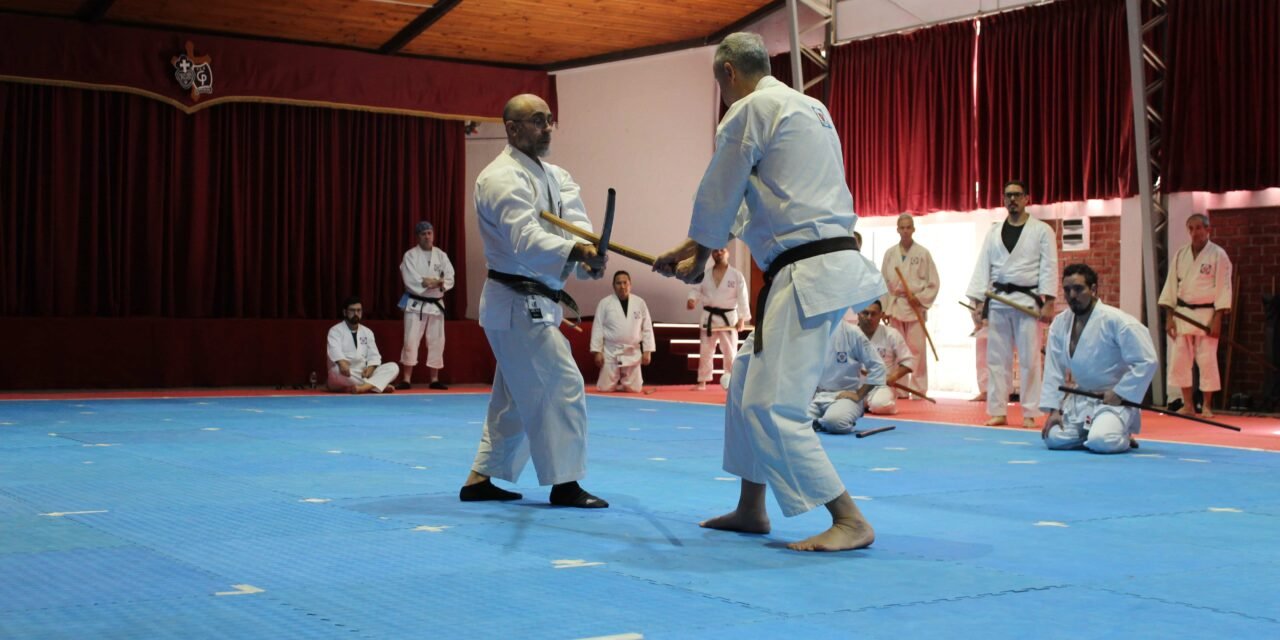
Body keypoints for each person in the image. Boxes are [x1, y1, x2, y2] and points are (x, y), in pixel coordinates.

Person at [653, 32, 886, 552]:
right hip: (822, 263)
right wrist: (694, 248)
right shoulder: (810, 109)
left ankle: (848, 518)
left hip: (806, 272)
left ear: (729, 73)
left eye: (720, 82)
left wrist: (700, 250)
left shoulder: (748, 111)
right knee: (745, 380)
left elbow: (721, 188)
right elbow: (761, 195)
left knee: (772, 403)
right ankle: (751, 506)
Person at [460, 93, 609, 509]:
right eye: (537, 120)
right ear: (511, 128)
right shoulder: (500, 178)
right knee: (562, 384)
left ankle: (479, 479)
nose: (546, 128)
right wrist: (575, 254)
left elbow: (577, 223)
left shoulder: (555, 175)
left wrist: (587, 254)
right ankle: (566, 484)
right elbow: (525, 238)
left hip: (538, 302)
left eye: (549, 121)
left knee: (514, 398)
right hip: (515, 303)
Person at [966, 180, 1058, 428]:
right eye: (1008, 195)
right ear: (1003, 199)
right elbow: (982, 266)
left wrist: (1048, 301)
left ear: (1027, 198)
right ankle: (997, 410)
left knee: (1030, 359)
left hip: (1027, 302)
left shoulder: (1041, 230)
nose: (1012, 199)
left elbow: (1049, 266)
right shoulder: (994, 232)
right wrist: (977, 301)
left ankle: (1030, 412)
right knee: (996, 359)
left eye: (1017, 195)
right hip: (998, 301)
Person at [1041, 264, 1158, 453]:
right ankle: (1093, 431)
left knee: (1102, 441)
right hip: (1081, 400)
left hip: (1112, 400)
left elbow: (1147, 360)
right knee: (1053, 439)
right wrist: (1053, 410)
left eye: (1078, 289)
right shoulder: (1060, 323)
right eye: (1067, 290)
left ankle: (1120, 435)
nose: (1072, 296)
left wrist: (1120, 392)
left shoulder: (1117, 321)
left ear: (1094, 289)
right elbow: (1053, 369)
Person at [1158, 214, 1232, 417]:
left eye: (1199, 227)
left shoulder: (1218, 255)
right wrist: (1169, 317)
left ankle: (1207, 405)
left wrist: (1218, 318)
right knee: (1180, 359)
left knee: (1207, 359)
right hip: (1182, 314)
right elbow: (1171, 287)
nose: (1195, 232)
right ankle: (1188, 404)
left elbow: (1223, 288)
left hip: (1206, 313)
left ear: (1208, 229)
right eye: (1191, 228)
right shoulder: (1181, 255)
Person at [880, 214, 939, 397]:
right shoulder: (890, 254)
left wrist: (920, 298)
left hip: (915, 307)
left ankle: (918, 388)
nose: (905, 231)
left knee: (916, 350)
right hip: (896, 305)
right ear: (897, 229)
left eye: (908, 227)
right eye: (902, 227)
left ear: (913, 229)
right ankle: (899, 389)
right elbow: (882, 282)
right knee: (897, 348)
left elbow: (934, 282)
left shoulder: (922, 253)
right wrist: (884, 308)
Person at [397, 220, 456, 391]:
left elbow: (450, 278)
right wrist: (431, 282)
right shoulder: (410, 256)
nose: (427, 236)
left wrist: (434, 282)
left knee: (437, 341)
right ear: (417, 237)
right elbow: (411, 279)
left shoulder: (441, 255)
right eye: (423, 234)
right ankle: (406, 379)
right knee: (410, 340)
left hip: (436, 305)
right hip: (416, 304)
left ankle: (434, 378)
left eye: (429, 233)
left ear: (433, 234)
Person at [808, 319, 887, 434]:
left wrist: (859, 394)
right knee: (791, 423)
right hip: (817, 396)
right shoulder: (810, 332)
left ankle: (822, 422)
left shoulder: (851, 332)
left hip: (846, 396)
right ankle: (819, 422)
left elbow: (878, 366)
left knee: (835, 421)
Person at [687, 247, 750, 390]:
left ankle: (731, 381)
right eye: (715, 251)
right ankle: (702, 381)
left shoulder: (736, 275)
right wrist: (692, 299)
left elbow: (743, 297)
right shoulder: (704, 274)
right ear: (711, 254)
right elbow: (695, 289)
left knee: (730, 352)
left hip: (728, 319)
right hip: (709, 317)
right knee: (705, 351)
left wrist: (742, 318)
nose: (719, 253)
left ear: (728, 252)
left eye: (722, 250)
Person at [591, 271, 656, 392]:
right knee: (604, 389)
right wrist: (597, 351)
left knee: (635, 389)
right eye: (618, 283)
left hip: (632, 351)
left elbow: (647, 328)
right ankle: (616, 383)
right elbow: (598, 328)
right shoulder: (605, 303)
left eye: (625, 283)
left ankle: (623, 384)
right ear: (613, 285)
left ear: (630, 284)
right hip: (611, 351)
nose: (622, 286)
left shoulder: (640, 303)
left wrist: (647, 351)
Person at [325, 296, 400, 394]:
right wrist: (341, 363)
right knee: (335, 372)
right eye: (352, 310)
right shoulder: (335, 330)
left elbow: (374, 355)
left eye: (358, 310)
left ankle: (363, 387)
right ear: (345, 312)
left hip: (363, 373)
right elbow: (334, 351)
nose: (356, 313)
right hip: (345, 373)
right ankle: (375, 385)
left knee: (393, 367)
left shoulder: (367, 332)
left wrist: (370, 368)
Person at [855, 300, 916, 414]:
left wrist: (892, 377)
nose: (869, 317)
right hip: (854, 386)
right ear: (858, 313)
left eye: (873, 314)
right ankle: (863, 403)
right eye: (865, 313)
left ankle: (871, 403)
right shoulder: (849, 334)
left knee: (881, 405)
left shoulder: (891, 334)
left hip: (879, 386)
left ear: (881, 315)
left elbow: (908, 361)